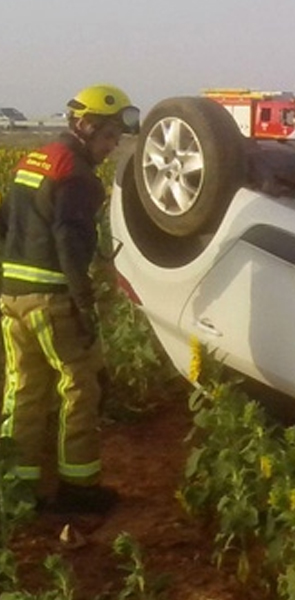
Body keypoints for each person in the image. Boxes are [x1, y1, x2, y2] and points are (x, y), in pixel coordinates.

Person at [0, 84, 139, 513]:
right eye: (108, 137)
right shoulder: (77, 175)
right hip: (52, 300)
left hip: (11, 297)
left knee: (24, 388)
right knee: (80, 386)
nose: (112, 147)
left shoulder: (34, 160)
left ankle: (19, 486)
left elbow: (7, 219)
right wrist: (85, 306)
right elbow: (68, 243)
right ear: (84, 125)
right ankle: (79, 489)